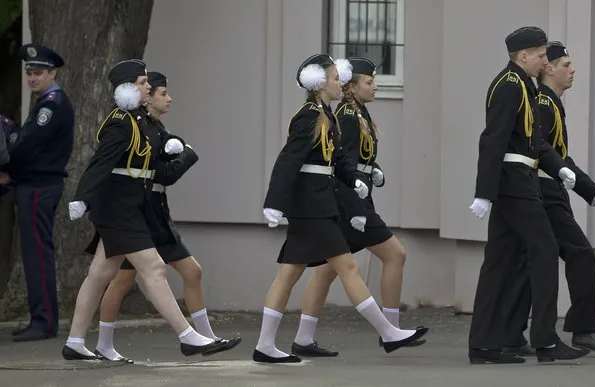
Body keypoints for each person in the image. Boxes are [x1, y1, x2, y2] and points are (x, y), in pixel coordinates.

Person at [254, 53, 427, 364]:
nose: (340, 83)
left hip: (318, 203)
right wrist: (274, 203)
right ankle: (388, 332)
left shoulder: (326, 114)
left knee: (290, 274)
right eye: (335, 78)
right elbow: (288, 161)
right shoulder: (309, 115)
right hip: (311, 206)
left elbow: (337, 160)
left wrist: (356, 179)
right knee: (345, 268)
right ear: (319, 83)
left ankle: (266, 345)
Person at [61, 59, 225, 360]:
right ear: (126, 88)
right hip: (117, 209)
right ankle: (187, 336)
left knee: (99, 274)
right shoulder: (119, 123)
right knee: (154, 267)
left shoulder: (138, 120)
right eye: (141, 82)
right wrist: (82, 197)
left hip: (131, 206)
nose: (147, 86)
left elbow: (154, 165)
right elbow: (100, 163)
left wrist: (177, 150)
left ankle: (74, 341)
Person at [467, 26, 589, 364]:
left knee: (498, 262)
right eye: (539, 55)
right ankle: (546, 341)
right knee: (545, 250)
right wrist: (484, 192)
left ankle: (483, 346)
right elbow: (493, 139)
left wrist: (560, 168)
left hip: (520, 178)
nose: (543, 61)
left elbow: (533, 141)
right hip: (514, 183)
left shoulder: (524, 86)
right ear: (524, 56)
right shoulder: (509, 86)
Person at [500, 41, 595, 355]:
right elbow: (544, 152)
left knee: (530, 263)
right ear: (548, 69)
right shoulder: (543, 103)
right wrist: (581, 185)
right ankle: (582, 330)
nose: (573, 70)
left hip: (545, 189)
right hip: (543, 191)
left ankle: (512, 333)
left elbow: (560, 155)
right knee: (579, 253)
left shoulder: (550, 102)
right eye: (565, 64)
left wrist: (587, 187)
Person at [8, 44, 74, 342]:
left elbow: (26, 146)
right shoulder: (46, 102)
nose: (32, 78)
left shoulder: (51, 105)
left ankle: (44, 321)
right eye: (29, 73)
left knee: (37, 256)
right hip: (34, 186)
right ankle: (41, 318)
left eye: (38, 73)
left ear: (52, 73)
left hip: (38, 187)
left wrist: (8, 166)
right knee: (35, 255)